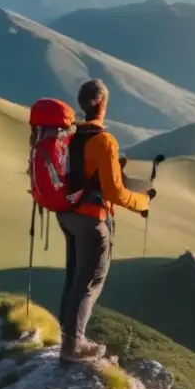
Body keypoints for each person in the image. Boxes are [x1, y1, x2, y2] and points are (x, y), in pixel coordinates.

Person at [57, 79, 156, 364]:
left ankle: (68, 336)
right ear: (101, 103)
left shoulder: (68, 136)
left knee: (74, 276)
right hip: (91, 219)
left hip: (67, 214)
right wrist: (143, 202)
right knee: (90, 280)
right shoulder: (104, 141)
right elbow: (114, 192)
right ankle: (73, 345)